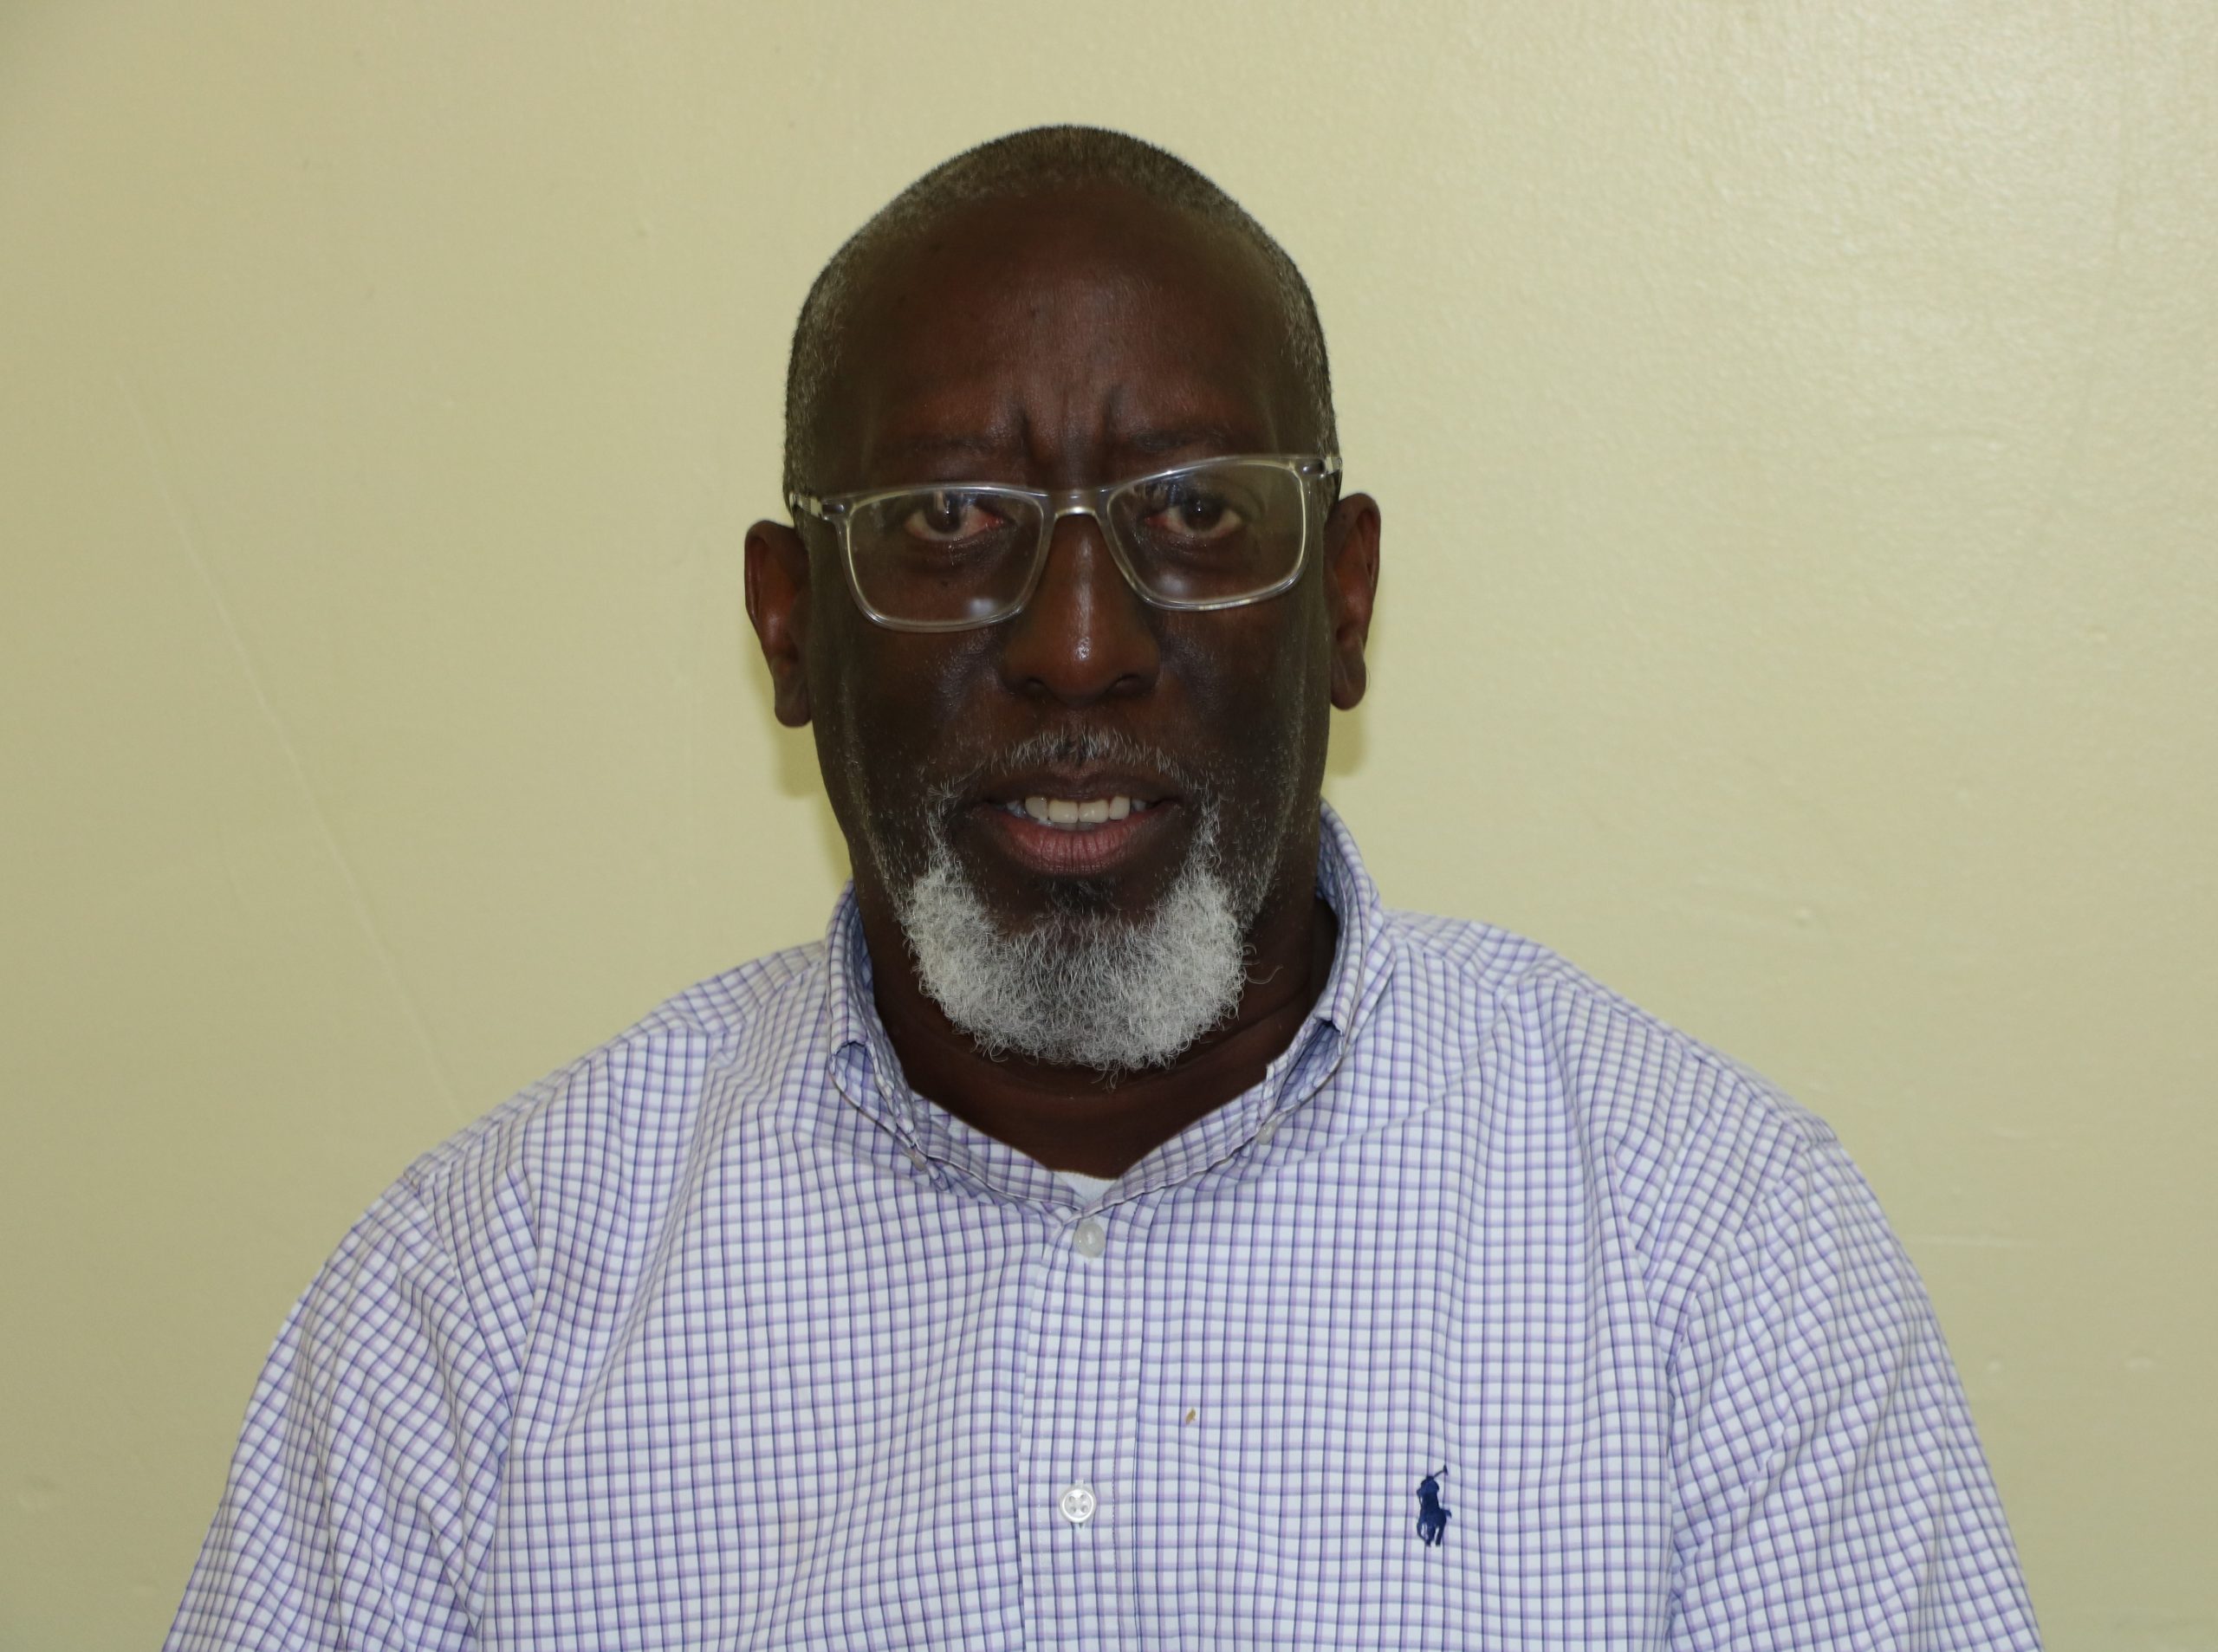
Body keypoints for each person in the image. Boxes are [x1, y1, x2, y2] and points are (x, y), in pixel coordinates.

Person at [167, 126, 2040, 1649]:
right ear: (790, 626)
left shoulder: (1714, 1257)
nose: (1078, 646)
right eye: (949, 521)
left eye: (1195, 513)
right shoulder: (475, 1314)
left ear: (1346, 603)